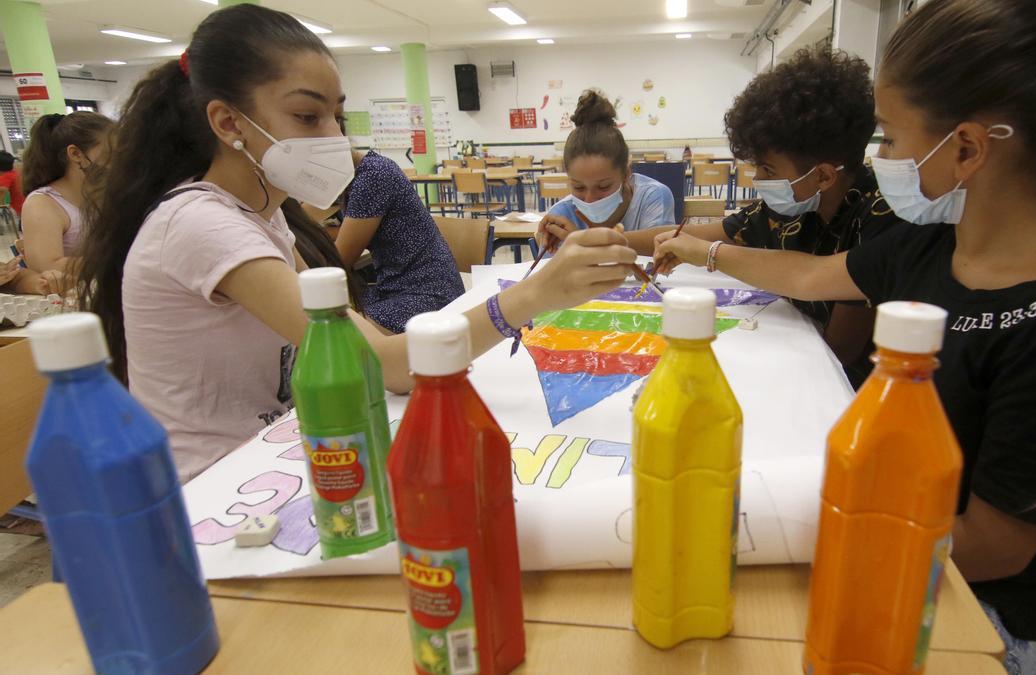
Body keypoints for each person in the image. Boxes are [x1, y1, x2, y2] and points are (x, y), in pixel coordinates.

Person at [656, 1, 1036, 671]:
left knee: (753, 632)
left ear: (965, 148)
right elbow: (811, 276)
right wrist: (703, 251)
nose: (883, 159)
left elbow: (994, 546)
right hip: (913, 527)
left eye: (891, 139)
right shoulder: (929, 246)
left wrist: (828, 531)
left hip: (995, 605)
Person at [76, 4, 636, 483]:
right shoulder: (201, 224)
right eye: (306, 116)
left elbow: (351, 338)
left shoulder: (263, 216)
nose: (333, 139)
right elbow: (381, 363)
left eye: (336, 117)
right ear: (228, 122)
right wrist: (534, 295)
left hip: (271, 453)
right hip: (210, 488)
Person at [569, 49, 899, 387]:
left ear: (824, 177)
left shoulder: (879, 216)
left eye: (768, 170)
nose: (758, 179)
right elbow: (699, 233)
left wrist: (708, 255)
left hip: (845, 386)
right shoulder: (790, 207)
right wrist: (612, 240)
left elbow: (838, 351)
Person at [331, 148, 464, 333]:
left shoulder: (373, 175)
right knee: (340, 311)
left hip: (428, 292)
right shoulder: (362, 172)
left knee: (338, 329)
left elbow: (337, 262)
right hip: (398, 286)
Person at [540, 90, 675, 234]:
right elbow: (551, 257)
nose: (590, 200)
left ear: (626, 174)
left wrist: (580, 242)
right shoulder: (561, 215)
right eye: (579, 187)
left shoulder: (651, 197)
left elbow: (659, 246)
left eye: (603, 186)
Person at [20, 111, 113, 273]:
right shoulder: (43, 203)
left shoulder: (108, 194)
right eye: (109, 153)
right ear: (76, 154)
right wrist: (122, 262)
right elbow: (46, 266)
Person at [0, 151, 24, 215]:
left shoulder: (6, 176)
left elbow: (2, 191)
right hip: (26, 207)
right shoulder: (15, 173)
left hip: (19, 210)